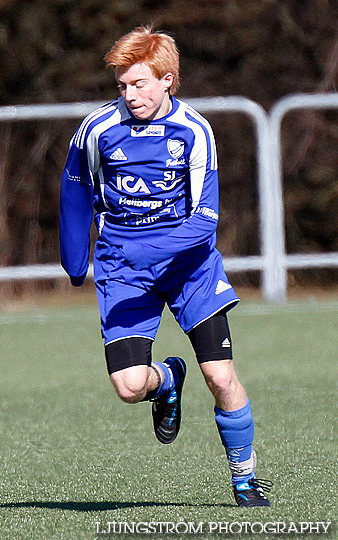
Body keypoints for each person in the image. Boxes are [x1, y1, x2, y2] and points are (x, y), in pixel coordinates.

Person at [59, 26, 272, 507]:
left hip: (189, 267)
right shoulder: (96, 131)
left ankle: (244, 478)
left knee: (220, 375)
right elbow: (75, 190)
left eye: (139, 84)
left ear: (168, 79)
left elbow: (206, 222)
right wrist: (76, 257)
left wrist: (149, 252)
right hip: (123, 270)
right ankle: (168, 380)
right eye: (121, 86)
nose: (129, 95)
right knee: (130, 387)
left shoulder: (195, 132)